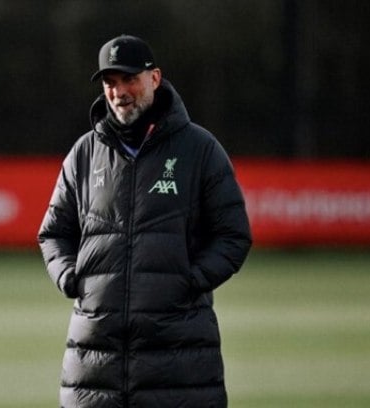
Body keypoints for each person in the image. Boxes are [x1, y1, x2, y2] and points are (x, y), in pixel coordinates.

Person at [38, 35, 252, 407]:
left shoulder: (200, 149)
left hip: (179, 360)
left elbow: (233, 235)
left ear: (154, 78)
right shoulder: (85, 153)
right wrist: (72, 277)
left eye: (129, 80)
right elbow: (54, 232)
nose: (119, 92)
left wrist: (190, 281)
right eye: (110, 83)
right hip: (94, 362)